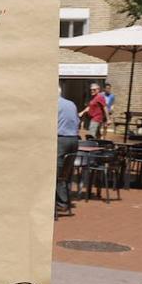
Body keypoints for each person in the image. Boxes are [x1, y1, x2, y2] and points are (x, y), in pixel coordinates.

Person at [57, 87, 80, 215]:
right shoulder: (71, 104)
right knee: (66, 172)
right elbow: (78, 121)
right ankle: (64, 199)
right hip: (74, 140)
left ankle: (61, 203)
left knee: (56, 172)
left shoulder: (53, 105)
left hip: (61, 140)